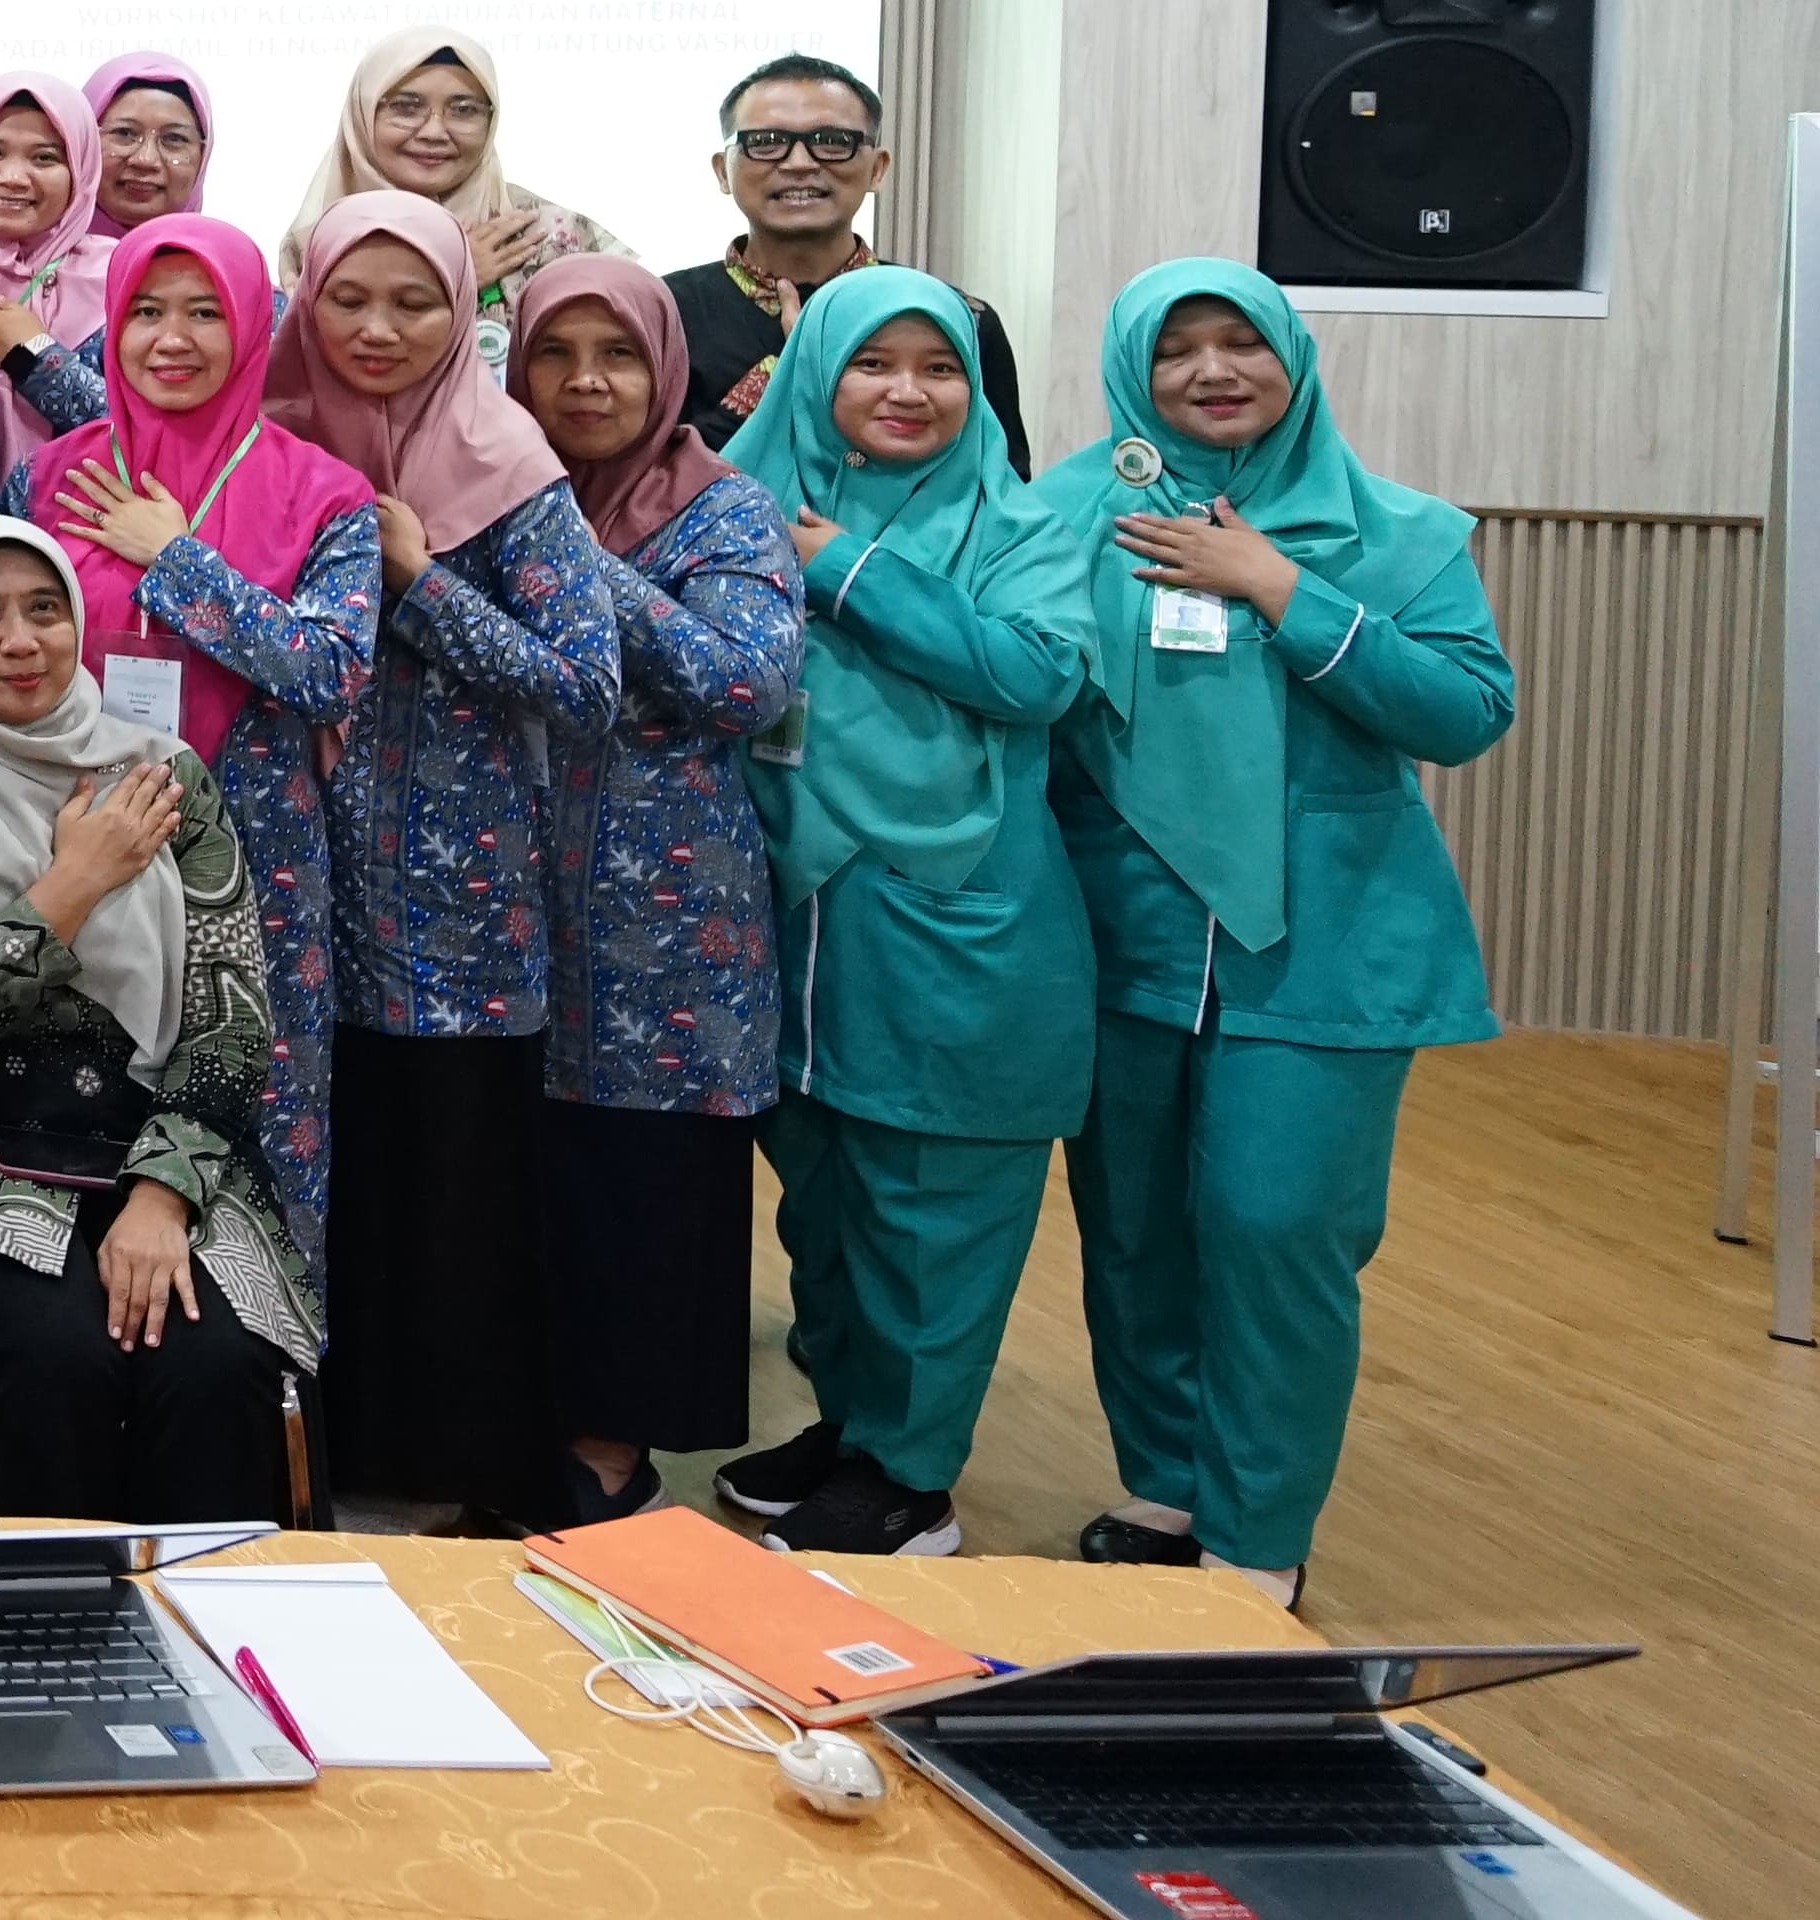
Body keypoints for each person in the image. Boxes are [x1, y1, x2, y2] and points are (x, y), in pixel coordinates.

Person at [1041, 264, 1513, 1605]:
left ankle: (1257, 1540)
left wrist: (1280, 586)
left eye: (1239, 341)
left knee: (1274, 1227)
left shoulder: (1396, 533)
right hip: (1125, 942)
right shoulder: (1070, 514)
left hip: (1330, 951)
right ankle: (1168, 1484)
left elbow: (1465, 712)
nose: (1211, 370)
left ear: (1292, 355)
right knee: (1133, 1231)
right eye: (1176, 348)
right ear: (1136, 372)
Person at [710, 268, 1092, 1560]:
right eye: (875, 364)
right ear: (818, 371)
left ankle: (911, 1472)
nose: (908, 393)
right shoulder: (746, 496)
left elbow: (1037, 671)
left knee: (932, 1200)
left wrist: (851, 571)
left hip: (951, 907)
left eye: (940, 368)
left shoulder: (1019, 523)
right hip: (789, 906)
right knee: (822, 1191)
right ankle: (853, 1423)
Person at [0, 522, 311, 1519]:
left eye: (45, 609)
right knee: (53, 1354)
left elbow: (232, 1010)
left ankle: (201, 1651)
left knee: (214, 1364)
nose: (21, 641)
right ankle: (55, 1645)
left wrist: (164, 1196)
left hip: (163, 1134)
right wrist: (72, 884)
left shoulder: (160, 776)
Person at [274, 189, 622, 1517]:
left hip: (460, 904)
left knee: (454, 1196)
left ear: (463, 308)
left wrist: (416, 580)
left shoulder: (508, 463)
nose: (376, 327)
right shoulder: (282, 441)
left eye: (413, 299)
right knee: (335, 1181)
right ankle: (338, 1463)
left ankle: (464, 1477)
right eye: (347, 299)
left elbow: (585, 686)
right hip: (301, 885)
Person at [504, 254, 805, 1528]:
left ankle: (614, 1444)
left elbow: (747, 682)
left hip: (668, 920)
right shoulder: (481, 489)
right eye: (555, 355)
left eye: (616, 353)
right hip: (509, 903)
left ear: (664, 366)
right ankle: (517, 1418)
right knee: (534, 1177)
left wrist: (573, 556)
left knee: (642, 1182)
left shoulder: (722, 508)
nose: (586, 382)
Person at [24, 216, 377, 1297]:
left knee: (259, 1126)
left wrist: (174, 557)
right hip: (75, 845)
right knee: (76, 1117)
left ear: (256, 324)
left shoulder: (325, 491)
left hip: (256, 861)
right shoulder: (50, 475)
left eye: (205, 312)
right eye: (144, 311)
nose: (171, 338)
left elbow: (329, 670)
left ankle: (264, 1403)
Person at [673, 52, 1033, 471]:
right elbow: (636, 484)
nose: (799, 163)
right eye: (766, 142)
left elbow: (1003, 488)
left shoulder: (954, 317)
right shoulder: (661, 313)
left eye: (832, 142)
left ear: (877, 168)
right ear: (723, 171)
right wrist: (789, 375)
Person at [285, 28, 610, 381]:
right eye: (407, 107)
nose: (434, 132)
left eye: (464, 110)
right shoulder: (314, 243)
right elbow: (294, 377)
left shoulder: (543, 236)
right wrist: (453, 275)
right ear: (362, 115)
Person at [0, 72, 114, 474]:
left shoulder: (117, 283)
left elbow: (146, 435)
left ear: (80, 171)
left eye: (44, 158)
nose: (12, 177)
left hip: (86, 525)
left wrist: (33, 356)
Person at [76, 51, 212, 264]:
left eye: (174, 138)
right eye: (124, 133)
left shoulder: (232, 282)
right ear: (82, 139)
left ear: (203, 155)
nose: (145, 160)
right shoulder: (23, 275)